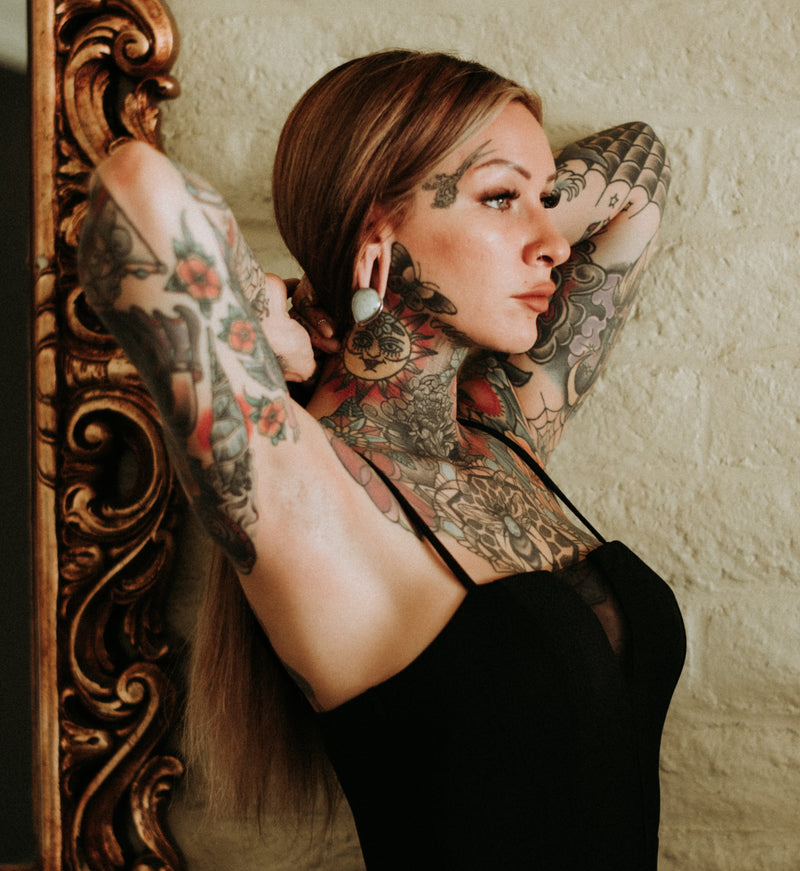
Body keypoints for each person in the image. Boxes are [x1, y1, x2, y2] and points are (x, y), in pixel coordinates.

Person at [78, 49, 685, 869]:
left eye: (547, 201)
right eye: (500, 198)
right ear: (378, 227)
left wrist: (489, 208)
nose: (552, 244)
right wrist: (265, 309)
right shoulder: (308, 491)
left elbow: (641, 168)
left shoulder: (502, 432)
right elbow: (131, 190)